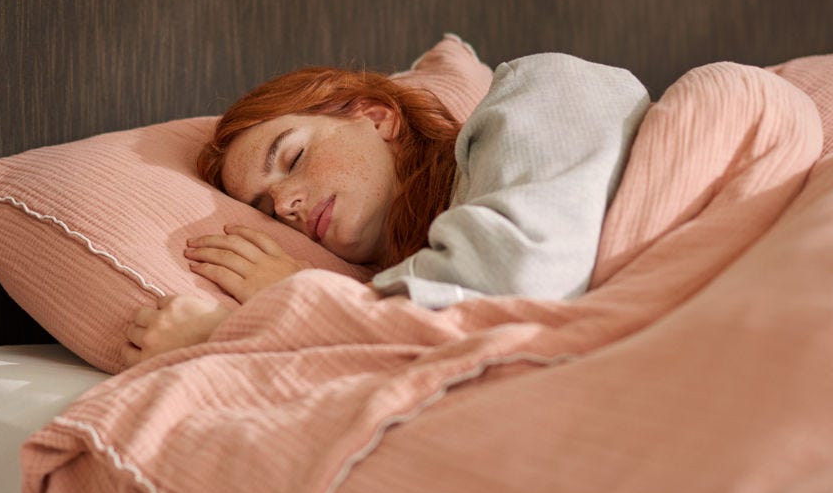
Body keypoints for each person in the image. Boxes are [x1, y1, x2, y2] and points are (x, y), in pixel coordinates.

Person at [125, 51, 651, 362]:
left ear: (378, 118)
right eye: (264, 209)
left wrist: (269, 313)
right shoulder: (407, 283)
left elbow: (523, 276)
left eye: (293, 156)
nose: (285, 204)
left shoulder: (542, 88)